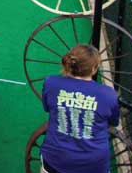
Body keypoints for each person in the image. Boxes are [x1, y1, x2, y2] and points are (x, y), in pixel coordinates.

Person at [41, 44, 119, 173]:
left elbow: (47, 108)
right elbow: (113, 122)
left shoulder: (51, 83)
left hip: (55, 161)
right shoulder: (108, 94)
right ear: (94, 69)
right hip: (93, 166)